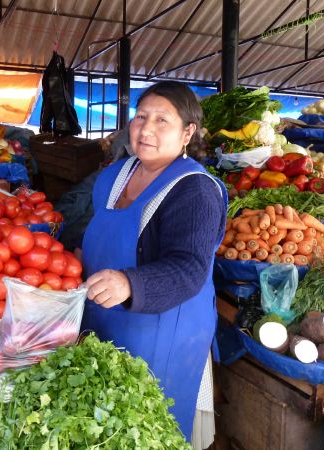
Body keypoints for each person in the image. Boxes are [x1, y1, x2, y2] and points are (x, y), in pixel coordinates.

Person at [80, 81, 227, 441]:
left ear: (187, 132)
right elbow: (98, 230)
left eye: (163, 120)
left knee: (148, 428)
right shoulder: (116, 175)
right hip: (103, 319)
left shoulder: (195, 190)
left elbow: (189, 269)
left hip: (161, 334)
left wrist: (129, 283)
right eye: (141, 117)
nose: (146, 129)